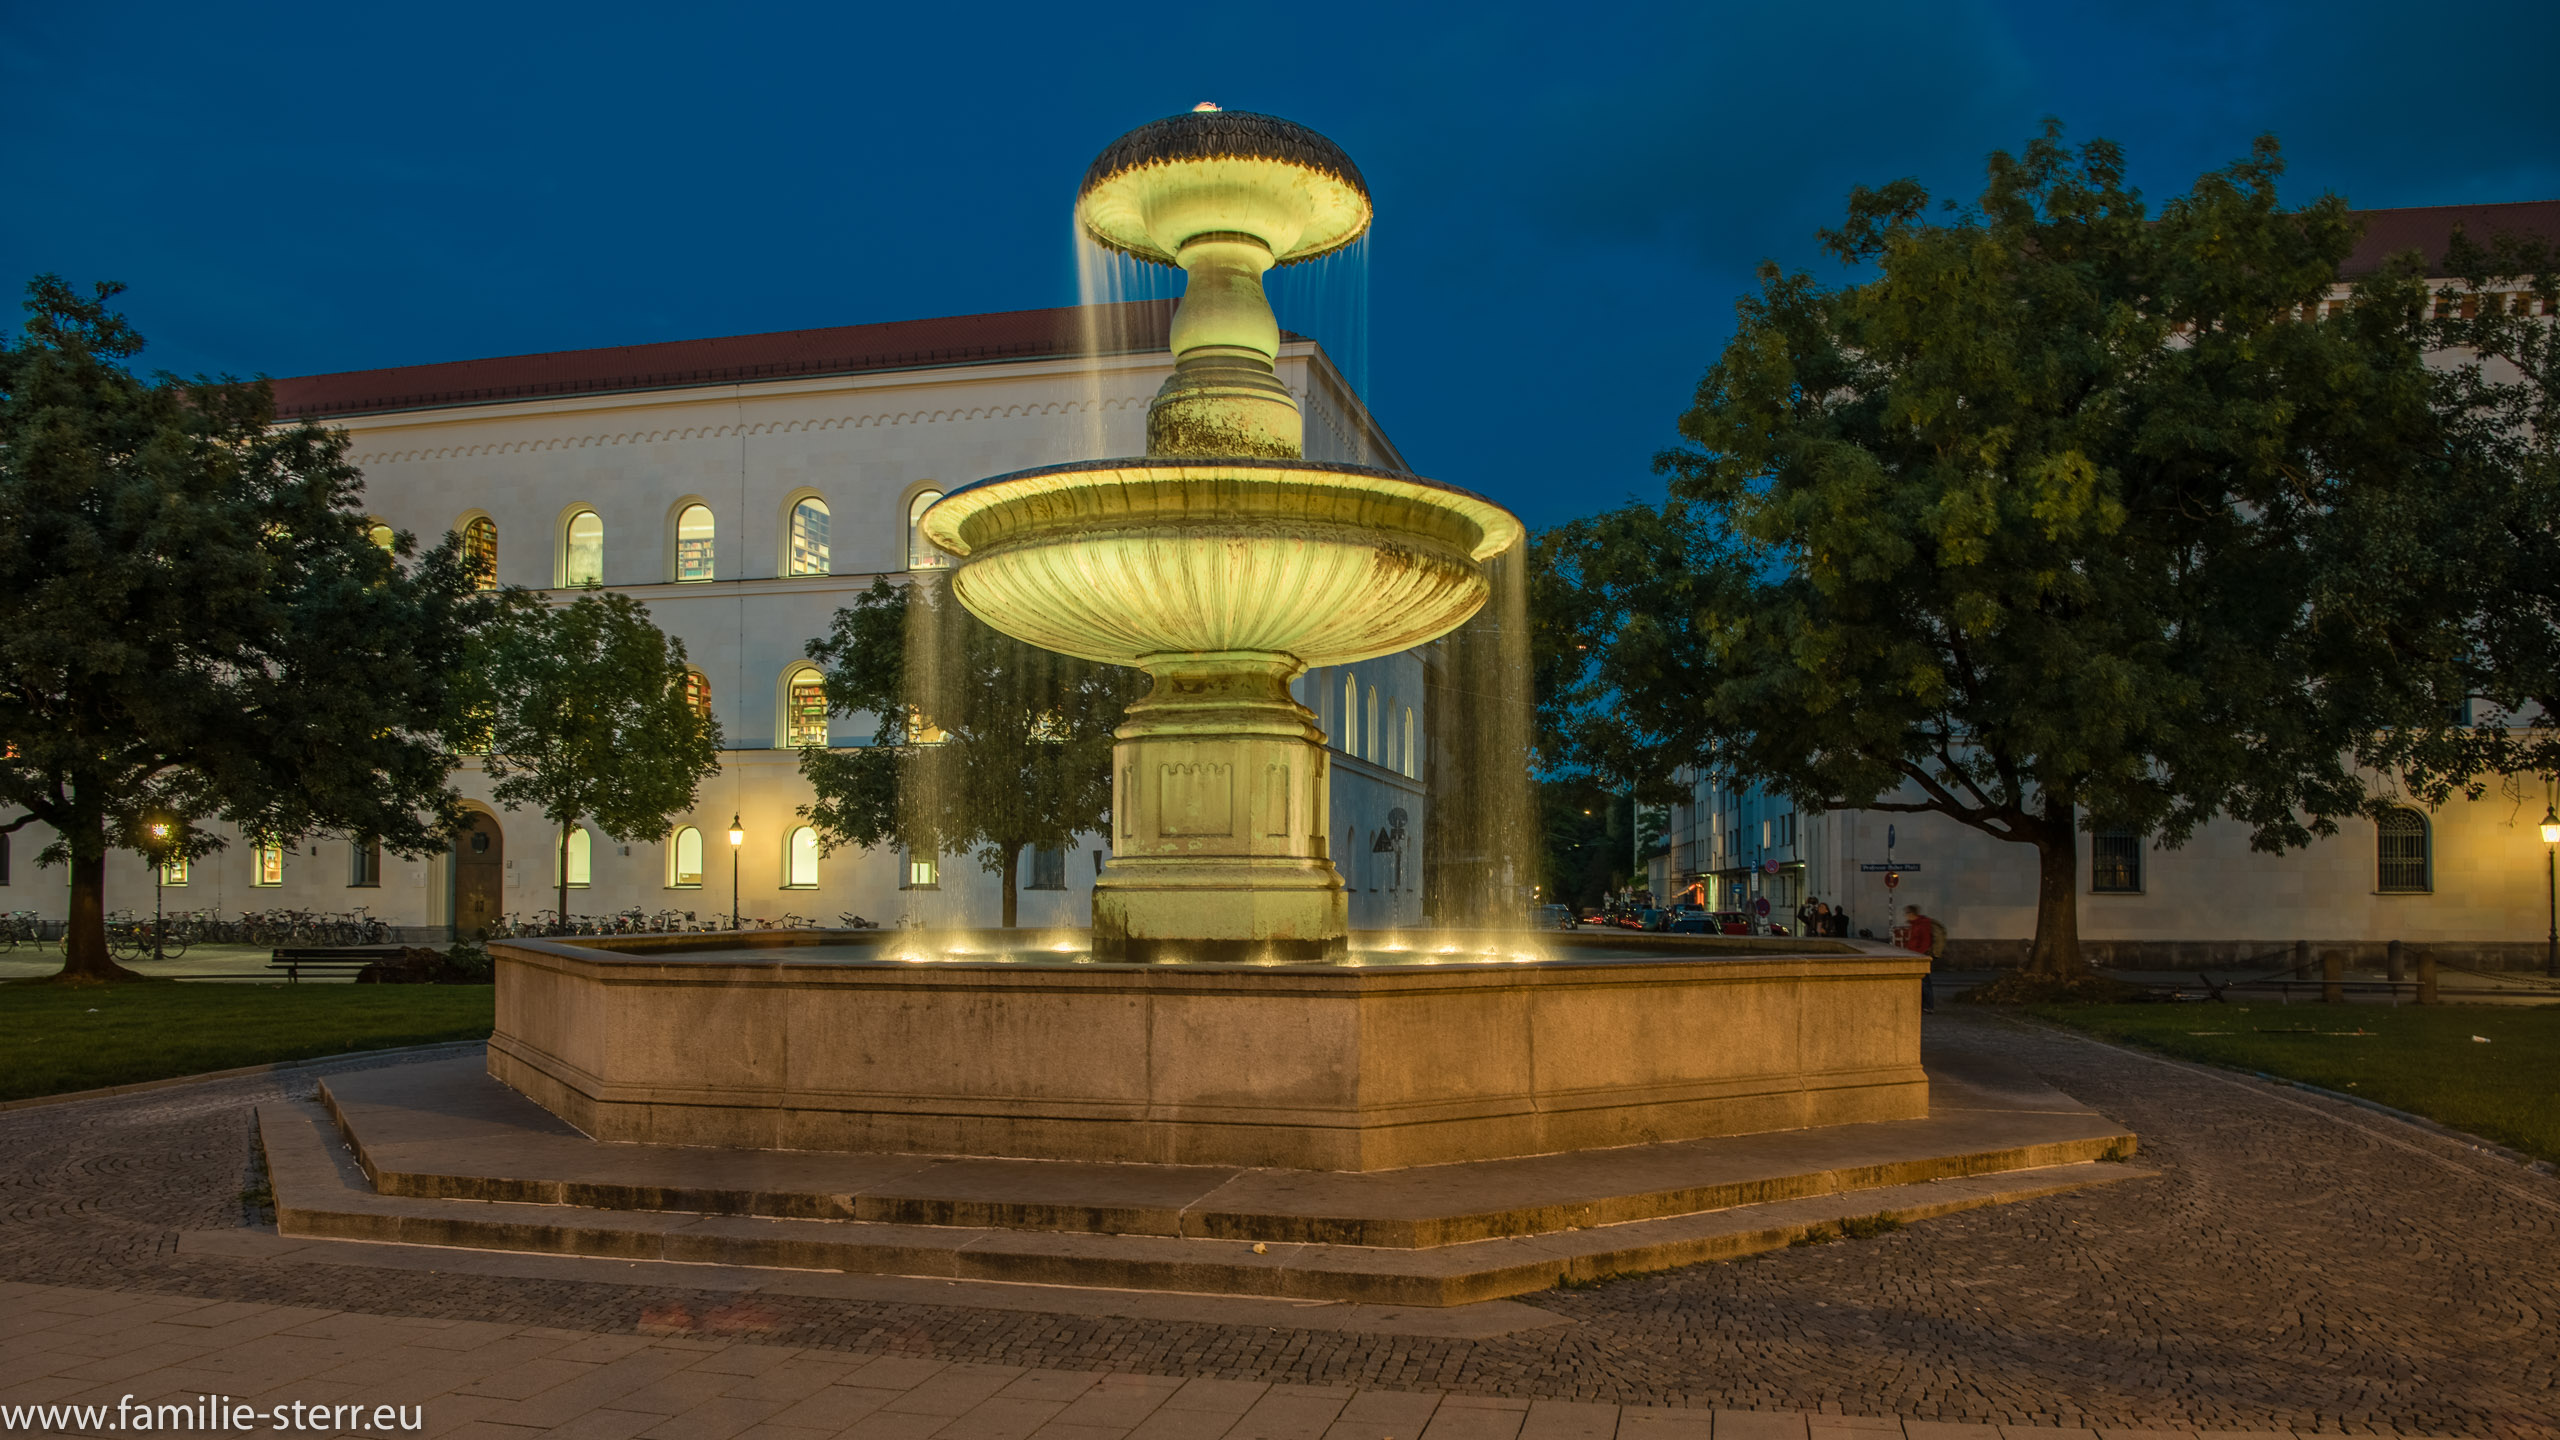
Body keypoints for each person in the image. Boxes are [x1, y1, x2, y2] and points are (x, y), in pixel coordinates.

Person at [1903, 903, 1941, 1012]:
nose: (1906, 915)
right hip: (1915, 955)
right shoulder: (1915, 924)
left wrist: (1918, 955)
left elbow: (1925, 942)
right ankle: (1923, 1004)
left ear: (1912, 913)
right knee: (1921, 981)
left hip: (1921, 957)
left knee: (1925, 982)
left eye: (1907, 913)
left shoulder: (1923, 924)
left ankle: (1928, 1005)